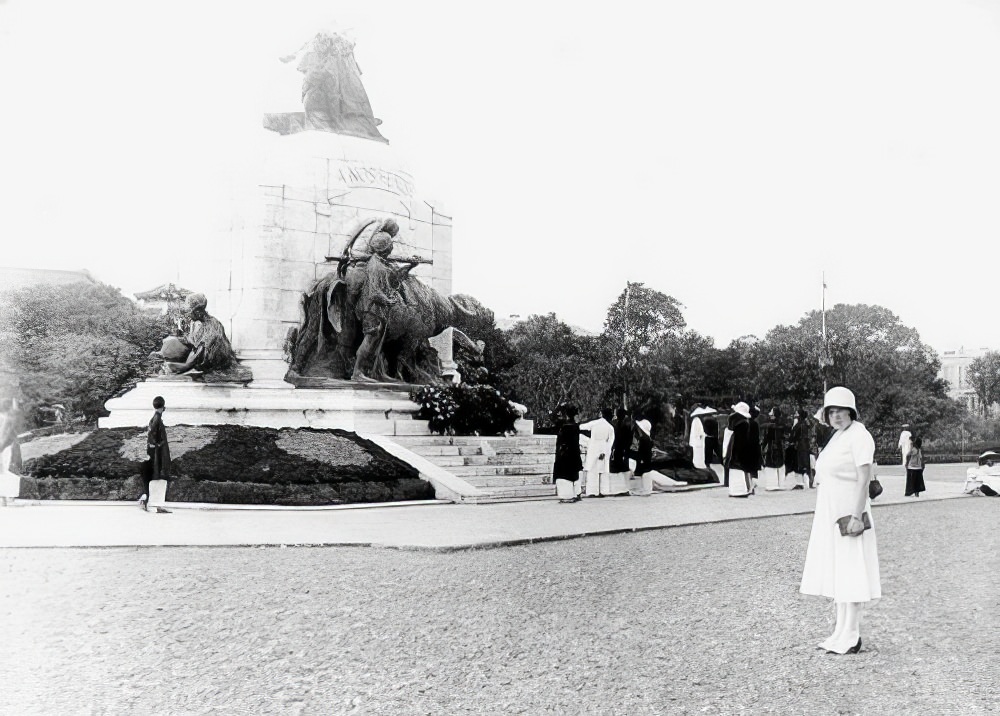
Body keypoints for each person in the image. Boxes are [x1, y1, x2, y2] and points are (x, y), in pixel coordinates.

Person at [800, 387, 880, 655]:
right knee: (840, 571)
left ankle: (853, 633)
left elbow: (863, 480)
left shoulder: (860, 436)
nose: (835, 416)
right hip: (831, 512)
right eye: (830, 411)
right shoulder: (838, 436)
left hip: (849, 514)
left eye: (840, 410)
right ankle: (840, 630)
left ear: (851, 411)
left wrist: (857, 516)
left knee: (852, 570)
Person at [142, 396, 172, 514]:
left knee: (158, 477)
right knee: (160, 476)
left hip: (156, 452)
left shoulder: (154, 418)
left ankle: (155, 503)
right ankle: (157, 505)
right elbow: (152, 433)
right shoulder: (157, 418)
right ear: (163, 406)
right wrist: (157, 445)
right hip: (159, 453)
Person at [723, 402, 757, 497]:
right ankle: (742, 489)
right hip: (740, 451)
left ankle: (739, 490)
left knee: (738, 470)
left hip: (737, 451)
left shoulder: (741, 425)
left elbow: (739, 441)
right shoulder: (744, 423)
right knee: (740, 470)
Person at [580, 409, 616, 497]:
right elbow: (610, 441)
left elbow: (581, 427)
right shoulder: (610, 427)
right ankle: (603, 491)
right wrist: (605, 451)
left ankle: (592, 491)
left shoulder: (594, 423)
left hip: (593, 447)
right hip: (603, 447)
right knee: (603, 471)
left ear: (601, 414)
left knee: (592, 470)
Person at [552, 404, 583, 503]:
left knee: (563, 476)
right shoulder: (575, 427)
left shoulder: (562, 426)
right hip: (573, 454)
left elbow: (552, 417)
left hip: (563, 455)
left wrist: (559, 407)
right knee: (573, 474)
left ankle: (566, 496)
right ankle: (574, 494)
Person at [760, 407, 786, 490]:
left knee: (771, 465)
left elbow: (767, 437)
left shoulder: (771, 425)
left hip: (772, 447)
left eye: (771, 412)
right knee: (779, 465)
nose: (769, 414)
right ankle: (780, 484)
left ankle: (772, 484)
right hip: (779, 447)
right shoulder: (781, 424)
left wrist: (763, 446)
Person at [789, 409, 812, 489]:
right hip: (806, 445)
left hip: (799, 446)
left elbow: (793, 434)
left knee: (798, 464)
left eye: (796, 413)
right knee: (805, 463)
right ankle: (808, 482)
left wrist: (791, 441)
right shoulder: (806, 423)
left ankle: (801, 483)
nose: (795, 415)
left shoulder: (799, 424)